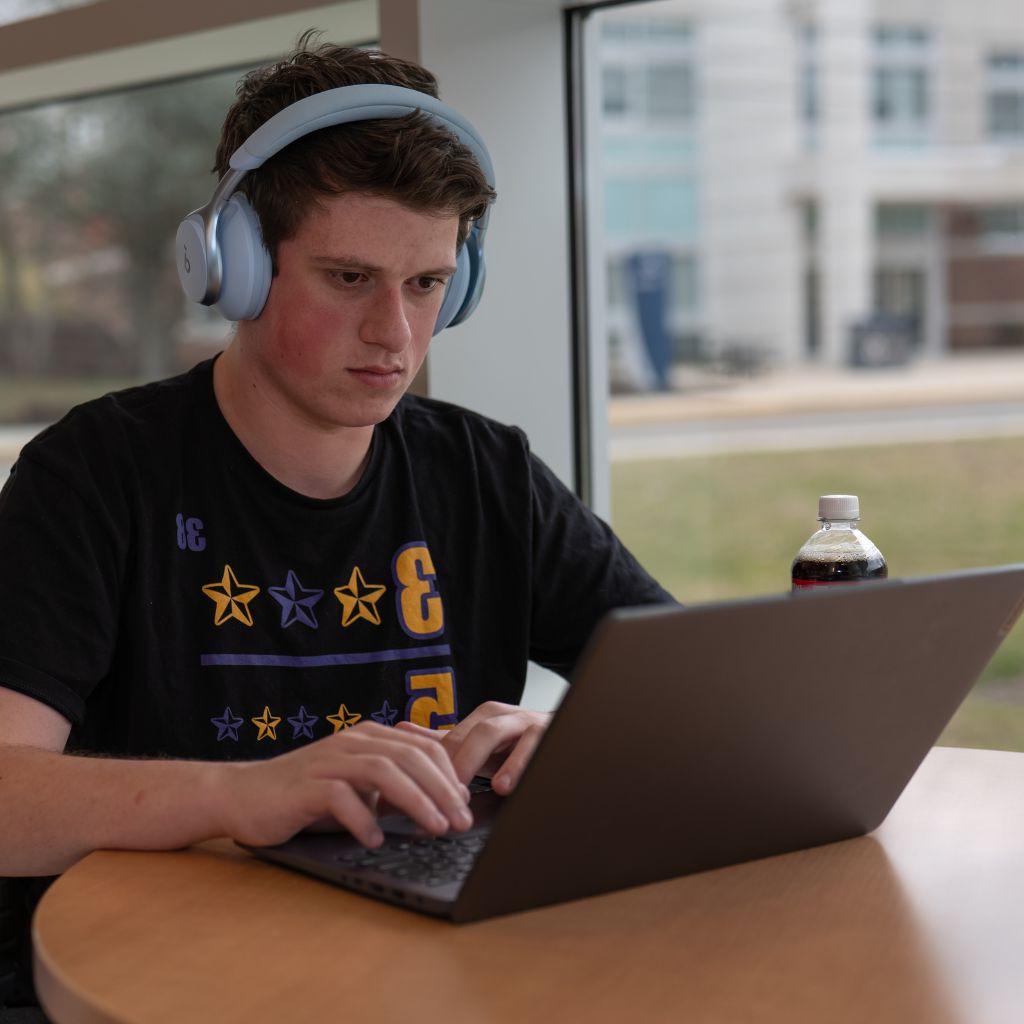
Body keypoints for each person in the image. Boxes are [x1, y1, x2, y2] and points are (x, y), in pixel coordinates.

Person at [0, 33, 673, 1014]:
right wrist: (245, 793)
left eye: (427, 284)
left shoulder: (486, 474)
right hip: (147, 979)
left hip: (418, 971)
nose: (395, 336)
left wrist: (562, 743)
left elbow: (698, 705)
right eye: (349, 278)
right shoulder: (94, 475)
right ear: (234, 264)